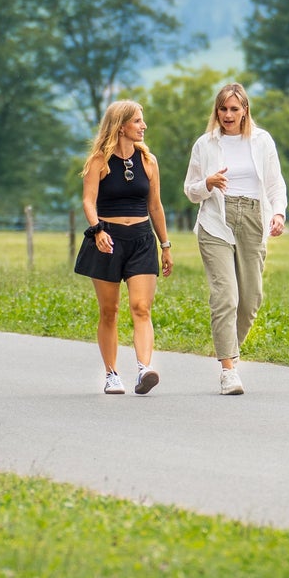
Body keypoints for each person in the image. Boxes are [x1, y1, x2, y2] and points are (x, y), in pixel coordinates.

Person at [184, 81, 287, 395]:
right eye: (223, 109)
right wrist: (208, 183)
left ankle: (230, 350)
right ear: (217, 111)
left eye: (234, 109)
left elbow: (274, 183)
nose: (228, 115)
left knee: (251, 299)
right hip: (216, 221)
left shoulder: (262, 141)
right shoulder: (205, 144)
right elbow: (190, 190)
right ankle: (228, 370)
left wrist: (279, 213)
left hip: (253, 218)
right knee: (225, 297)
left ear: (245, 111)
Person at [73, 98, 173, 394]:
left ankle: (144, 369)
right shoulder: (98, 162)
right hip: (107, 239)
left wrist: (165, 244)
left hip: (142, 238)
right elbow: (88, 201)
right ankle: (112, 374)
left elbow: (155, 206)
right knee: (110, 310)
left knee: (141, 307)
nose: (144, 126)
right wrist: (97, 230)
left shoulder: (148, 161)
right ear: (121, 126)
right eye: (138, 121)